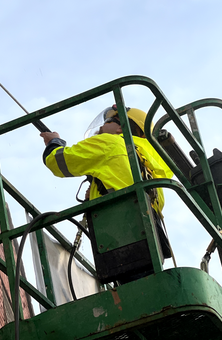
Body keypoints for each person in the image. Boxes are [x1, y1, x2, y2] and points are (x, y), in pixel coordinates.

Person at [40, 105, 174, 261]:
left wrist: (53, 142)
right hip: (150, 247)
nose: (102, 126)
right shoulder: (150, 169)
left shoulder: (111, 143)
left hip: (119, 240)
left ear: (121, 127)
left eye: (109, 120)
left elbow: (57, 161)